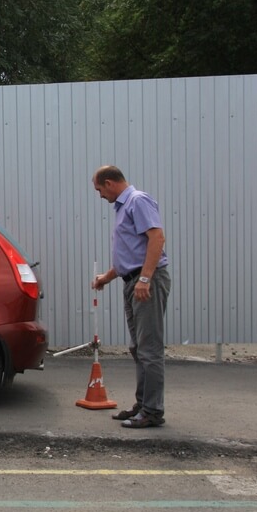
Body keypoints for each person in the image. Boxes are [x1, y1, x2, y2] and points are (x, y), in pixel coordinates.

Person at [91, 165, 171, 428]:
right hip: (133, 281)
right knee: (139, 349)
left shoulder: (138, 201)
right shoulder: (124, 208)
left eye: (100, 190)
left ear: (110, 183)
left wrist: (145, 278)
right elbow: (131, 254)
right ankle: (143, 405)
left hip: (145, 282)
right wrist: (108, 276)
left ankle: (152, 411)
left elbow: (156, 238)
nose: (100, 195)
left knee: (149, 350)